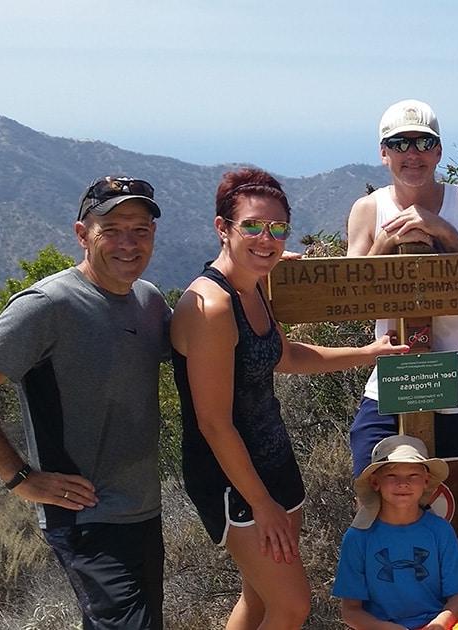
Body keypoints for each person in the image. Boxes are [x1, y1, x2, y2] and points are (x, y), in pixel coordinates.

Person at [171, 167, 407, 629]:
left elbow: (283, 356)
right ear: (222, 228)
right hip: (231, 479)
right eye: (253, 226)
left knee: (258, 599)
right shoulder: (211, 308)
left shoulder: (254, 285)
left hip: (273, 460)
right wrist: (260, 503)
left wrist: (370, 352)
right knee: (293, 605)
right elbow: (214, 423)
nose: (267, 237)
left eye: (278, 228)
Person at [0, 176, 170, 630]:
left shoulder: (149, 300)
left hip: (143, 509)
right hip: (85, 516)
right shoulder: (49, 304)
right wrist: (19, 476)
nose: (129, 243)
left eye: (140, 230)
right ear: (82, 234)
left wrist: (263, 280)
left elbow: (204, 343)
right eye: (112, 229)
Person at [346, 99, 458, 499]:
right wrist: (386, 239)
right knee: (375, 500)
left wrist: (443, 231)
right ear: (383, 153)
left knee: (456, 512)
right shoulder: (367, 209)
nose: (411, 154)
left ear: (438, 151)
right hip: (392, 385)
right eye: (399, 143)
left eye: (422, 142)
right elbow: (348, 294)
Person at [334, 435, 458, 630]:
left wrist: (439, 625)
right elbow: (350, 611)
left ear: (426, 481)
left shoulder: (440, 530)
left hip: (437, 622)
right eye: (392, 475)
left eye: (413, 475)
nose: (403, 483)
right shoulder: (358, 538)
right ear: (375, 482)